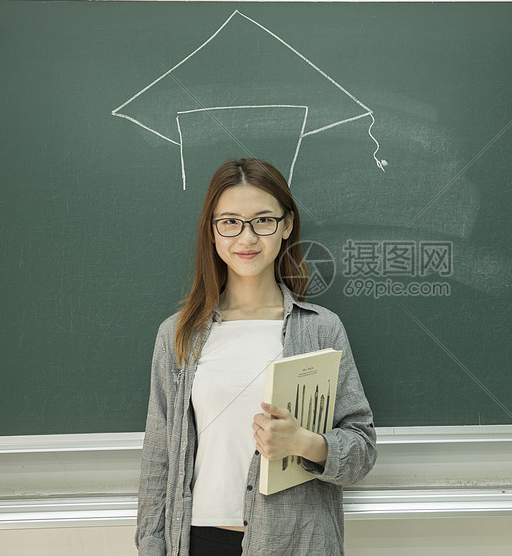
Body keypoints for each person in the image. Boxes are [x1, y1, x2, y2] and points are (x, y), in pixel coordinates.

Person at [135, 158, 377, 556]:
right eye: (230, 222)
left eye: (263, 221)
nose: (246, 238)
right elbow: (158, 455)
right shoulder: (178, 335)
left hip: (294, 541)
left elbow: (361, 449)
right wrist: (150, 545)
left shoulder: (320, 329)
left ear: (286, 226)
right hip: (198, 540)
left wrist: (306, 443)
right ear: (212, 233)